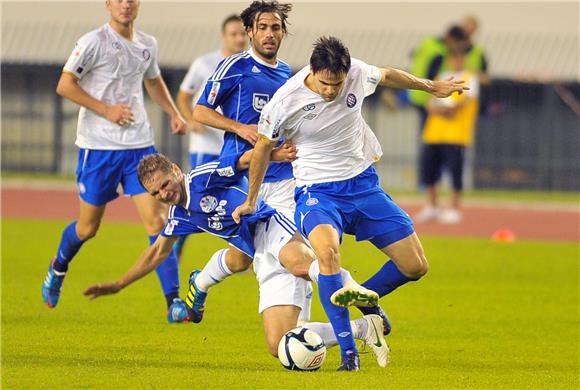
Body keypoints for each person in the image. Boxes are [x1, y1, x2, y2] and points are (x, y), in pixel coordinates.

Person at [232, 36, 468, 370]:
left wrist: (431, 87)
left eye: (338, 84)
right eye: (326, 84)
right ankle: (348, 352)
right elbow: (261, 150)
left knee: (415, 266)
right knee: (327, 255)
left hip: (364, 185)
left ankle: (361, 297)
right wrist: (251, 199)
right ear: (313, 71)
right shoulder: (284, 101)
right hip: (318, 192)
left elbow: (387, 75)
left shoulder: (357, 72)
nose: (332, 91)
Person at [82, 150, 389, 367]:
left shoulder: (202, 178)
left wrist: (274, 154)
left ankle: (355, 289)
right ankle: (365, 328)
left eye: (165, 184)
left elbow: (243, 160)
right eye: (155, 193)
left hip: (272, 225)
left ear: (175, 170)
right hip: (255, 252)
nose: (163, 193)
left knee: (298, 263)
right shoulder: (179, 216)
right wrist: (119, 285)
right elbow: (156, 253)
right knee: (278, 344)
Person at [41, 0, 189, 323]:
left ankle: (173, 303)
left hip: (139, 147)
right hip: (99, 149)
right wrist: (106, 110)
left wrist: (173, 113)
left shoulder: (148, 44)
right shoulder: (93, 42)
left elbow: (153, 80)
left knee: (159, 223)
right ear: (108, 4)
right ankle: (59, 267)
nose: (126, 4)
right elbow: (65, 85)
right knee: (88, 227)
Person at [173, 14, 247, 258]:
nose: (239, 38)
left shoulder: (250, 66)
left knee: (237, 199)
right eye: (233, 34)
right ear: (223, 36)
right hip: (206, 145)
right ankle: (175, 245)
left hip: (235, 149)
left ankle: (242, 251)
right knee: (196, 198)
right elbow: (184, 96)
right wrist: (191, 120)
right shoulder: (205, 63)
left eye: (242, 33)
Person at [415, 50, 480, 224]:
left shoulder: (470, 78)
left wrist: (442, 109)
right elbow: (429, 104)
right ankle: (432, 206)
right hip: (433, 134)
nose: (457, 60)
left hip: (455, 135)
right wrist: (441, 109)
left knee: (455, 172)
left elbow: (459, 107)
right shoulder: (441, 77)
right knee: (429, 171)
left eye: (460, 57)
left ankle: (454, 208)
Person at [409, 25, 471, 129]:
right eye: (457, 44)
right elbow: (432, 77)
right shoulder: (440, 53)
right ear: (451, 39)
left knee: (424, 128)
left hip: (413, 90)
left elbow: (413, 55)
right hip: (426, 95)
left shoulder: (428, 41)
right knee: (429, 129)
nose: (456, 48)